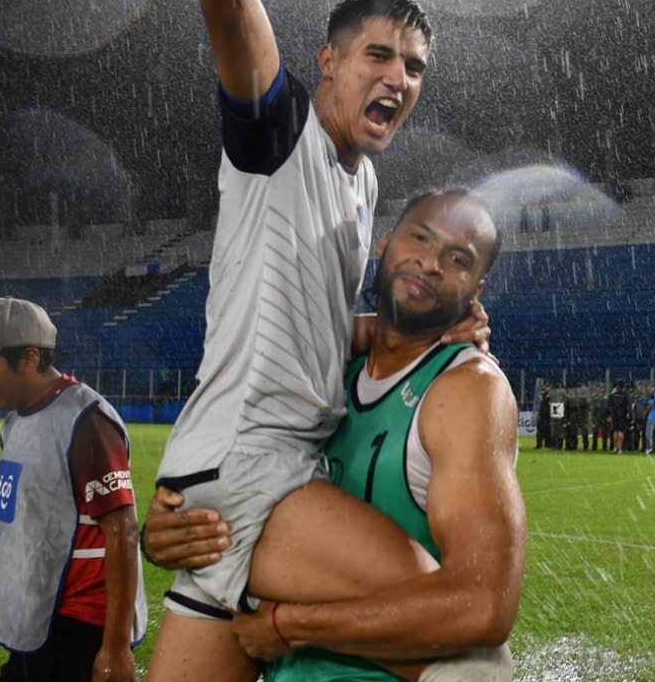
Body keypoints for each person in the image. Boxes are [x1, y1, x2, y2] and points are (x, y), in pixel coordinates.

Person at [142, 0, 490, 682]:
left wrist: (419, 330)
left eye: (414, 67)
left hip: (220, 478)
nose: (398, 78)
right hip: (257, 470)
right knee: (453, 635)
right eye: (378, 54)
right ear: (326, 62)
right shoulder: (282, 128)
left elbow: (315, 327)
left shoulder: (361, 182)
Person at [145, 189, 525, 681]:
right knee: (200, 576)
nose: (431, 262)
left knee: (478, 672)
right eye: (420, 238)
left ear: (476, 289)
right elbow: (236, 491)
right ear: (383, 244)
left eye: (457, 259)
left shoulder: (468, 391)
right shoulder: (320, 377)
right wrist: (161, 535)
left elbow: (483, 606)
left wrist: (293, 625)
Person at [0, 297, 146, 682]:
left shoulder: (87, 422)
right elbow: (14, 530)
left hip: (76, 628)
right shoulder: (15, 424)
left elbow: (123, 531)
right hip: (37, 618)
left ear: (30, 358)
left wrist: (115, 649)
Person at [608, 380, 630, 454]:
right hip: (622, 415)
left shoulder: (612, 395)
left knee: (615, 431)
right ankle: (619, 449)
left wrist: (610, 415)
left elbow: (609, 406)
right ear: (624, 386)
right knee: (621, 432)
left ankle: (615, 447)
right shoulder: (625, 395)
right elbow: (628, 407)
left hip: (614, 415)